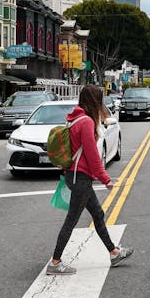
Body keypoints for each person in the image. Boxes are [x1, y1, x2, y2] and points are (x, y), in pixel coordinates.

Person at [47, 85, 132, 275]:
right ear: (95, 101)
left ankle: (114, 252)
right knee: (71, 221)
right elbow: (93, 155)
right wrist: (105, 179)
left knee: (98, 214)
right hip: (81, 178)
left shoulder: (75, 118)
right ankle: (55, 262)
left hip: (76, 176)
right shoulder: (85, 122)